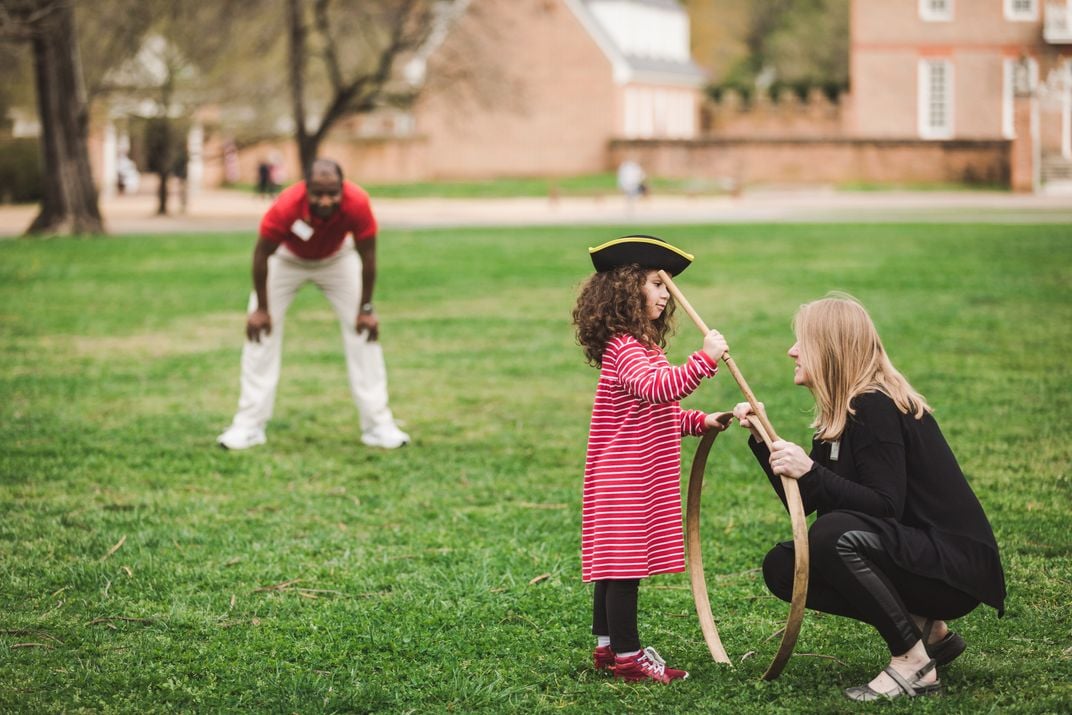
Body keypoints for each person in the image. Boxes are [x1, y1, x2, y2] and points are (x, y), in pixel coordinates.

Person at [732, 293, 1005, 701]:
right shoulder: (842, 411)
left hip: (952, 567)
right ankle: (929, 631)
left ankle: (913, 664)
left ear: (829, 349)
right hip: (916, 554)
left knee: (831, 534)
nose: (791, 351)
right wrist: (763, 441)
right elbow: (808, 504)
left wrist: (810, 468)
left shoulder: (874, 405)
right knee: (785, 566)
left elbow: (883, 505)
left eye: (801, 342)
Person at [572, 235, 733, 683]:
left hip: (630, 476)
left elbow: (658, 411)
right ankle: (628, 657)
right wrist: (705, 360)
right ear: (627, 290)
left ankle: (606, 648)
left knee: (614, 566)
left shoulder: (642, 350)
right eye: (656, 283)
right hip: (624, 479)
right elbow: (659, 389)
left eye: (666, 287)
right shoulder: (626, 349)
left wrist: (702, 421)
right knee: (622, 570)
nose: (665, 294)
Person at [217, 158, 410, 450]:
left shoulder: (357, 203)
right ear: (305, 189)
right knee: (260, 333)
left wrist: (366, 308)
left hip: (337, 260)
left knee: (364, 333)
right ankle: (248, 425)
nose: (325, 200)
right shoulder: (286, 207)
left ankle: (378, 426)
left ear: (342, 189)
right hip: (287, 260)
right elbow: (261, 255)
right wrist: (261, 309)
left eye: (333, 193)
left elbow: (368, 257)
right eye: (318, 193)